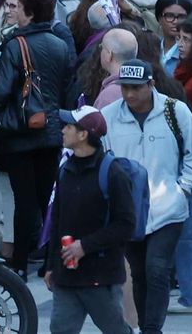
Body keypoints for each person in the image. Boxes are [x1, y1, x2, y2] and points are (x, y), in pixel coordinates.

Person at [100, 60, 192, 334]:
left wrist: (183, 188)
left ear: (151, 85)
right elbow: (102, 158)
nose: (129, 94)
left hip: (168, 208)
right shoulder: (108, 116)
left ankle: (152, 330)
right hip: (129, 211)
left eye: (136, 88)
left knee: (157, 269)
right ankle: (147, 327)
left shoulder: (175, 111)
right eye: (125, 88)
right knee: (139, 272)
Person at [0, 0, 71, 274]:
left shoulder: (15, 45)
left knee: (23, 200)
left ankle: (19, 263)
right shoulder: (60, 45)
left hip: (19, 133)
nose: (13, 11)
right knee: (47, 200)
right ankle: (50, 262)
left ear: (30, 13)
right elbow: (65, 89)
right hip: (52, 131)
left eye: (17, 7)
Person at [46, 107, 136, 334]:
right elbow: (56, 221)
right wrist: (51, 266)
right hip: (67, 278)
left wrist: (84, 246)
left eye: (68, 126)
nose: (63, 130)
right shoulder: (64, 170)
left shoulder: (113, 173)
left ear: (83, 134)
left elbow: (126, 224)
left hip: (101, 277)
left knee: (116, 331)